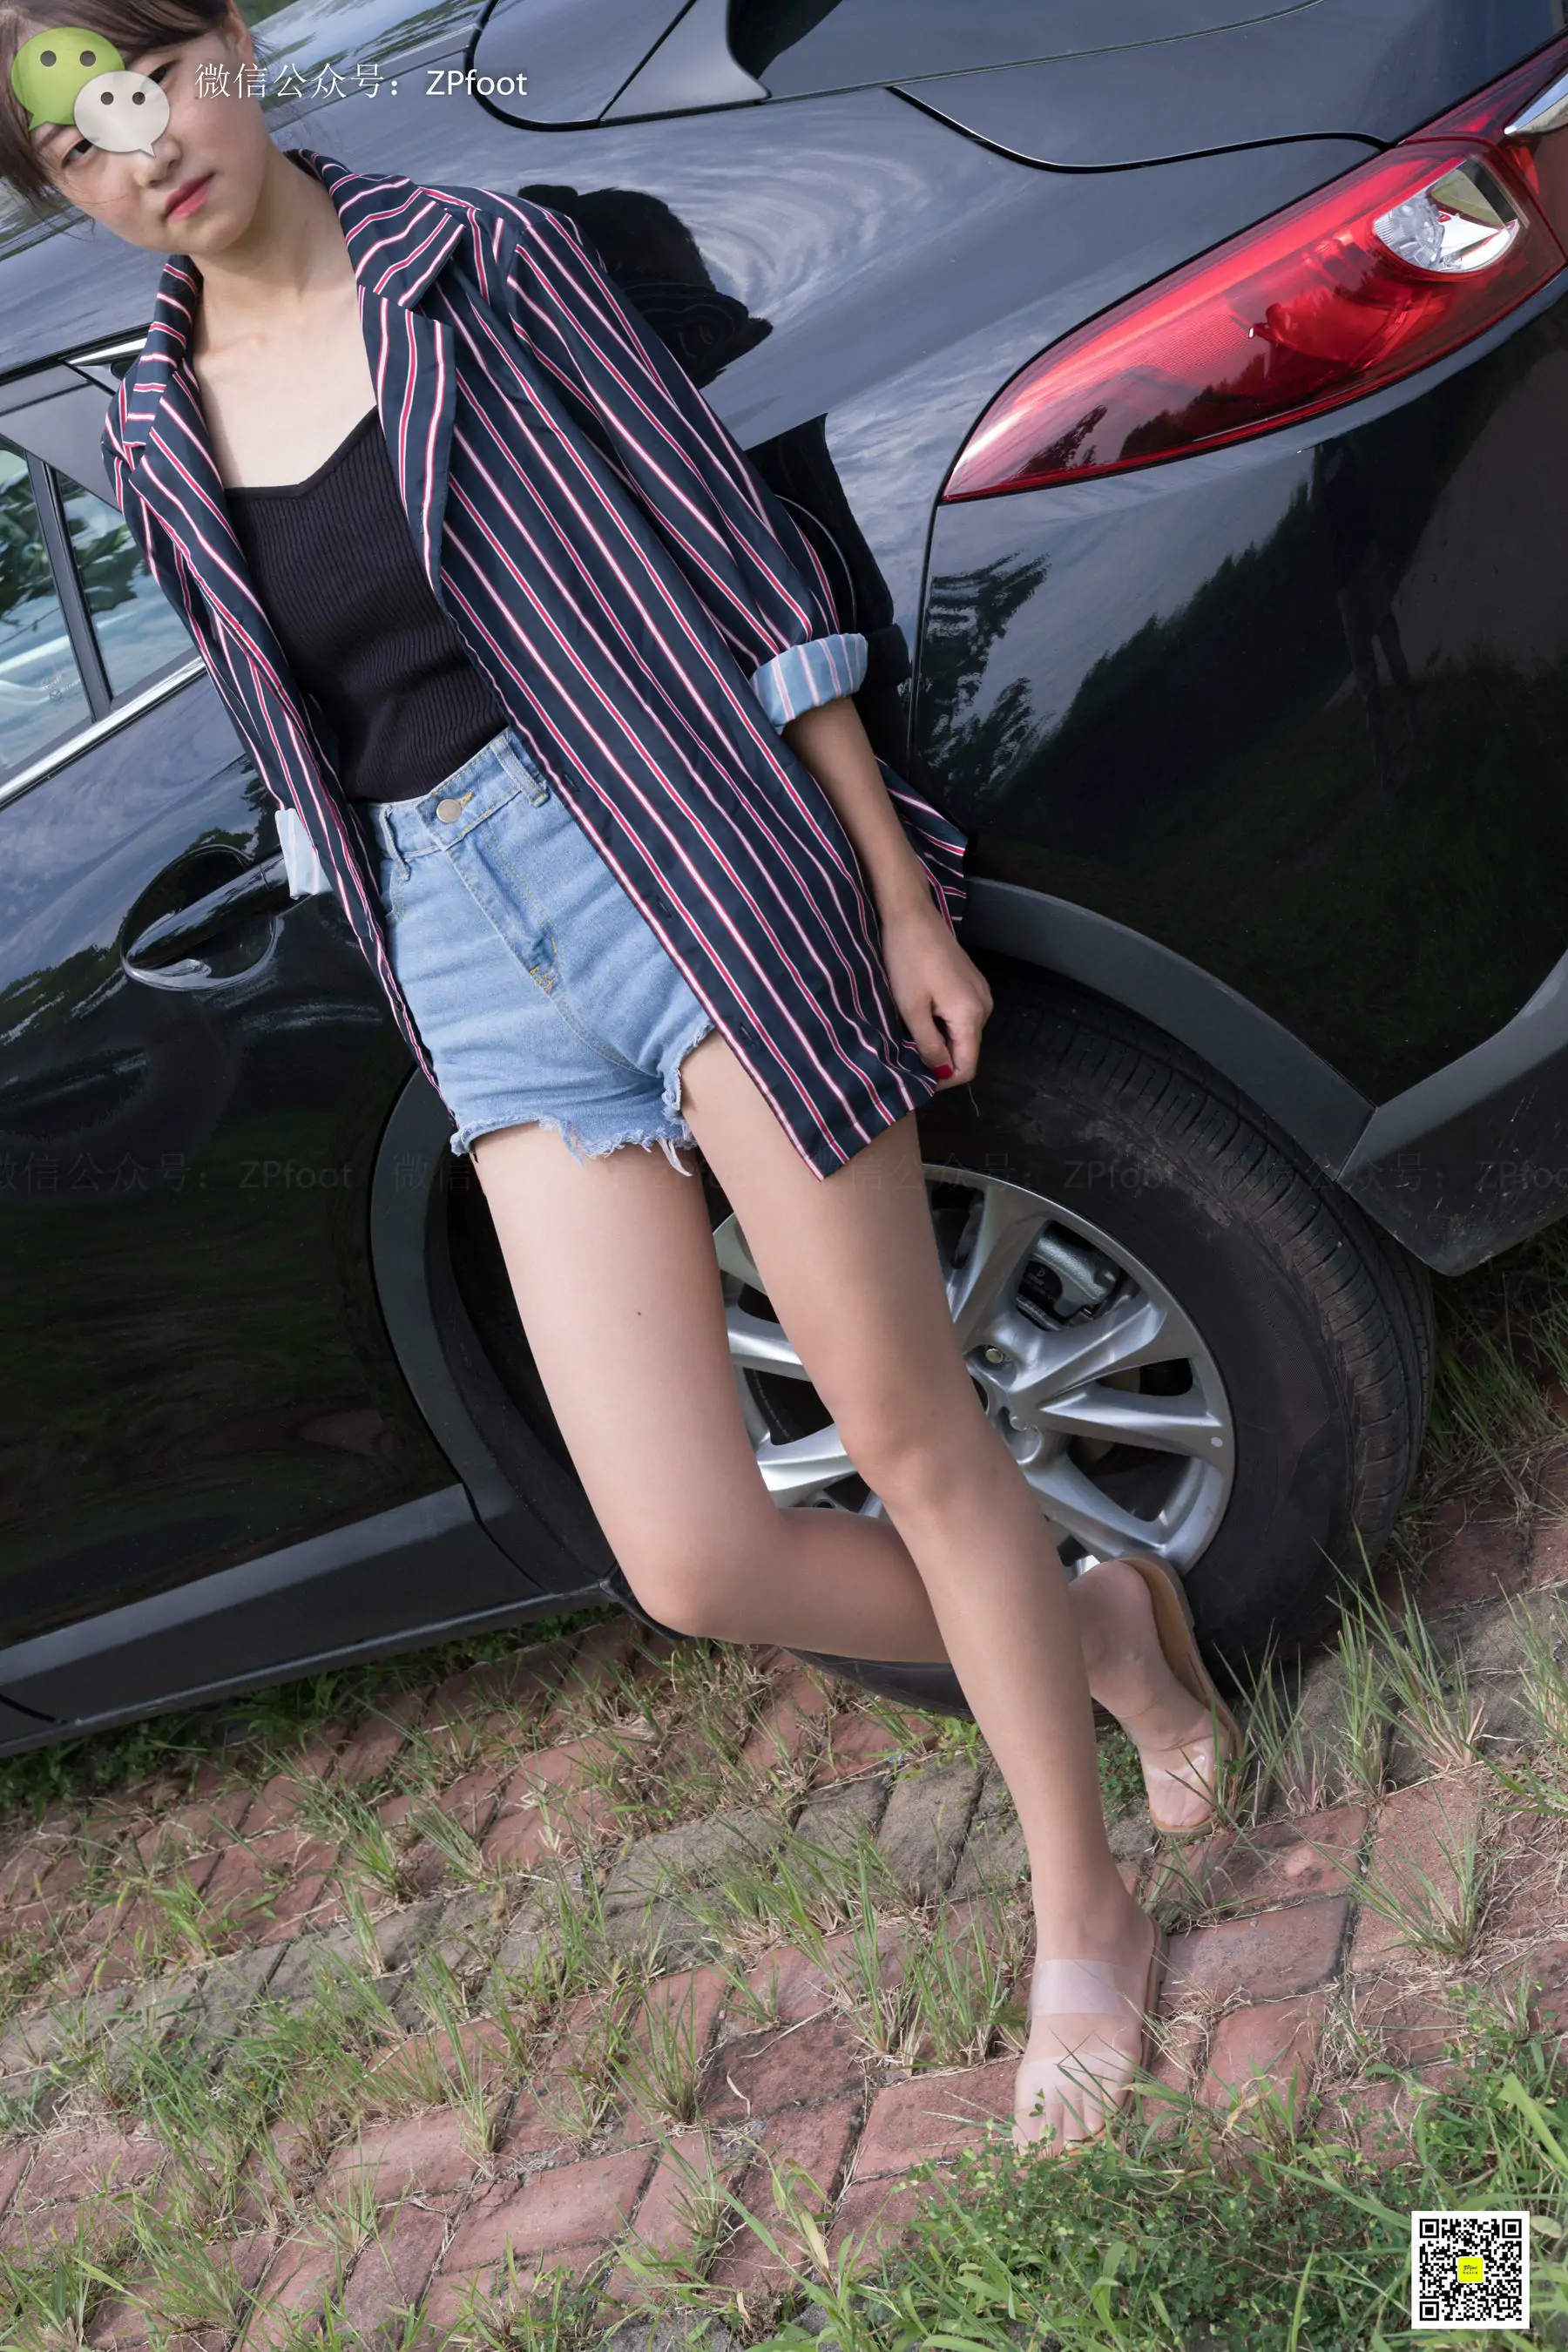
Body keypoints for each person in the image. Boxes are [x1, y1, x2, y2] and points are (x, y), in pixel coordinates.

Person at [0, 0, 1245, 2153]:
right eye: (72, 145)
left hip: (676, 859)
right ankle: (1101, 1632)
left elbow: (741, 572)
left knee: (901, 1424)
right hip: (464, 953)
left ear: (231, 50)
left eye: (148, 76)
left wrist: (896, 895)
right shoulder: (148, 433)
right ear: (58, 198)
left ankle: (1085, 1917)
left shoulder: (480, 263)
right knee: (689, 1553)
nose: (140, 146)